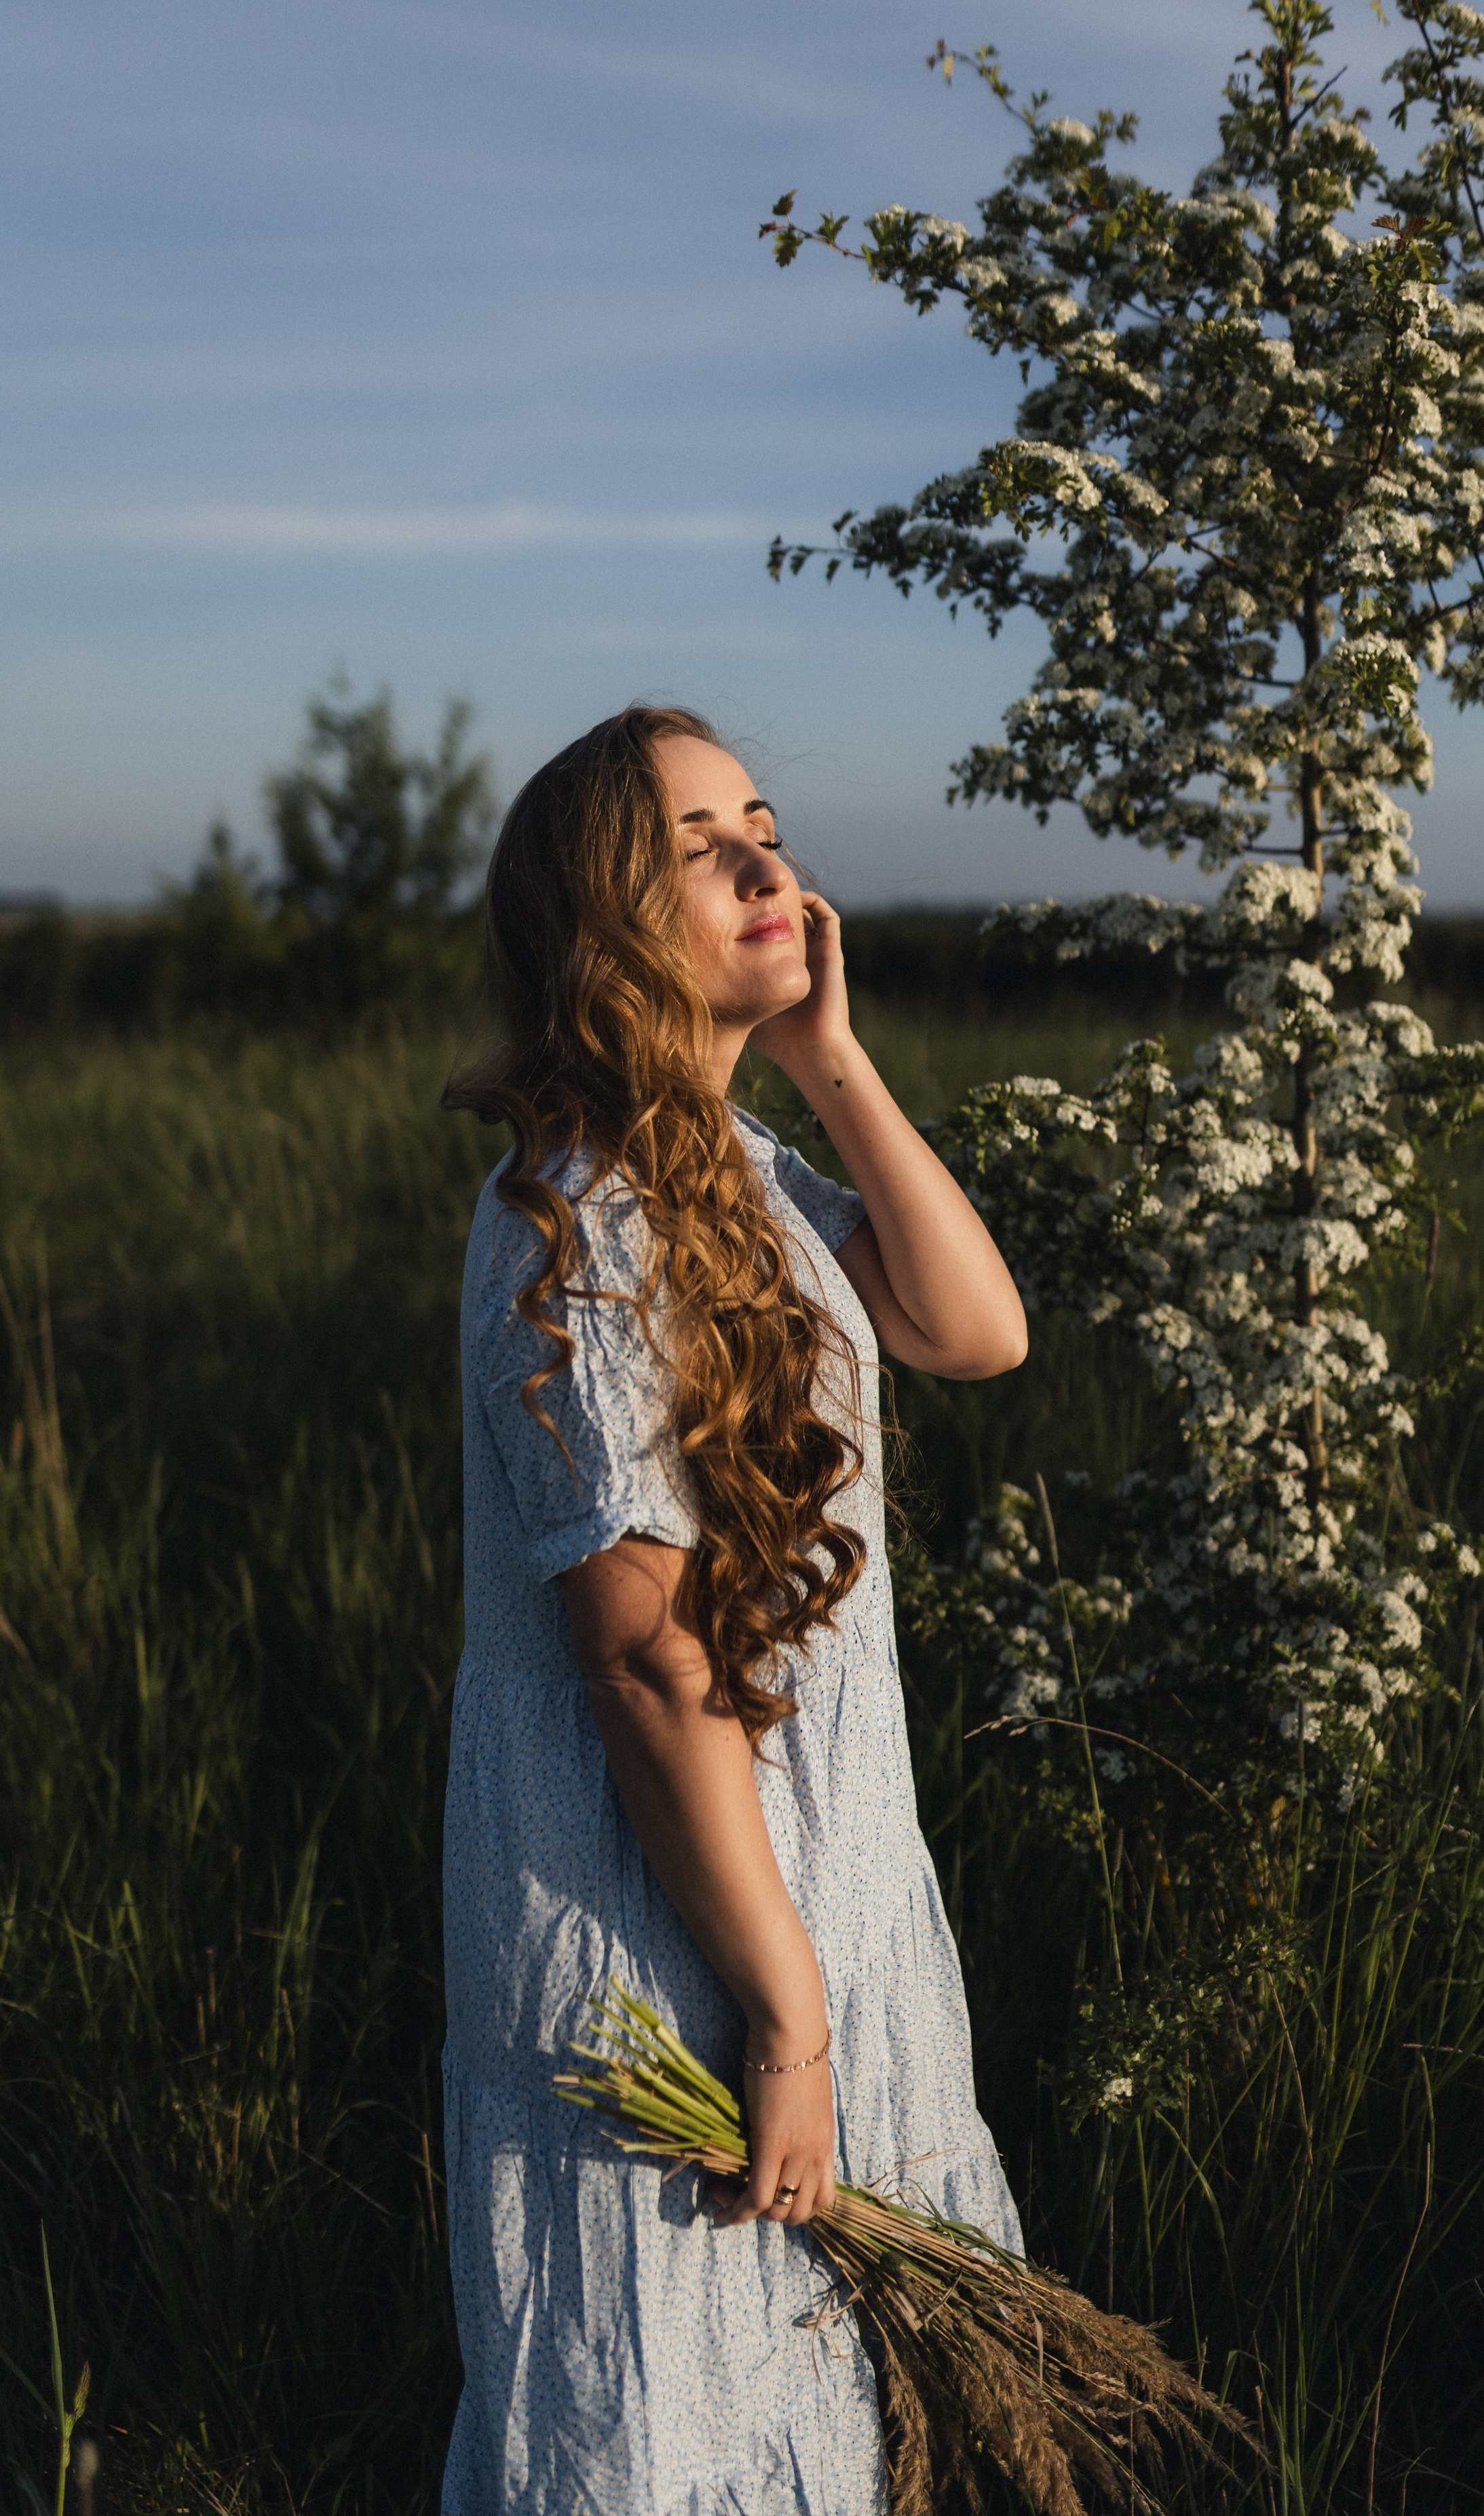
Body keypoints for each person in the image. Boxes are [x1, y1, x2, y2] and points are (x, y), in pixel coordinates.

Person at [438, 706, 1029, 2515]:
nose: (772, 865)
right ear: (606, 923)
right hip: (667, 1936)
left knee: (835, 2415)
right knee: (667, 2410)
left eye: (763, 822)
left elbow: (975, 1331)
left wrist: (830, 1060)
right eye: (703, 848)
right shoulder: (574, 1222)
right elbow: (643, 1656)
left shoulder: (736, 1167)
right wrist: (783, 2019)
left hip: (820, 1884)